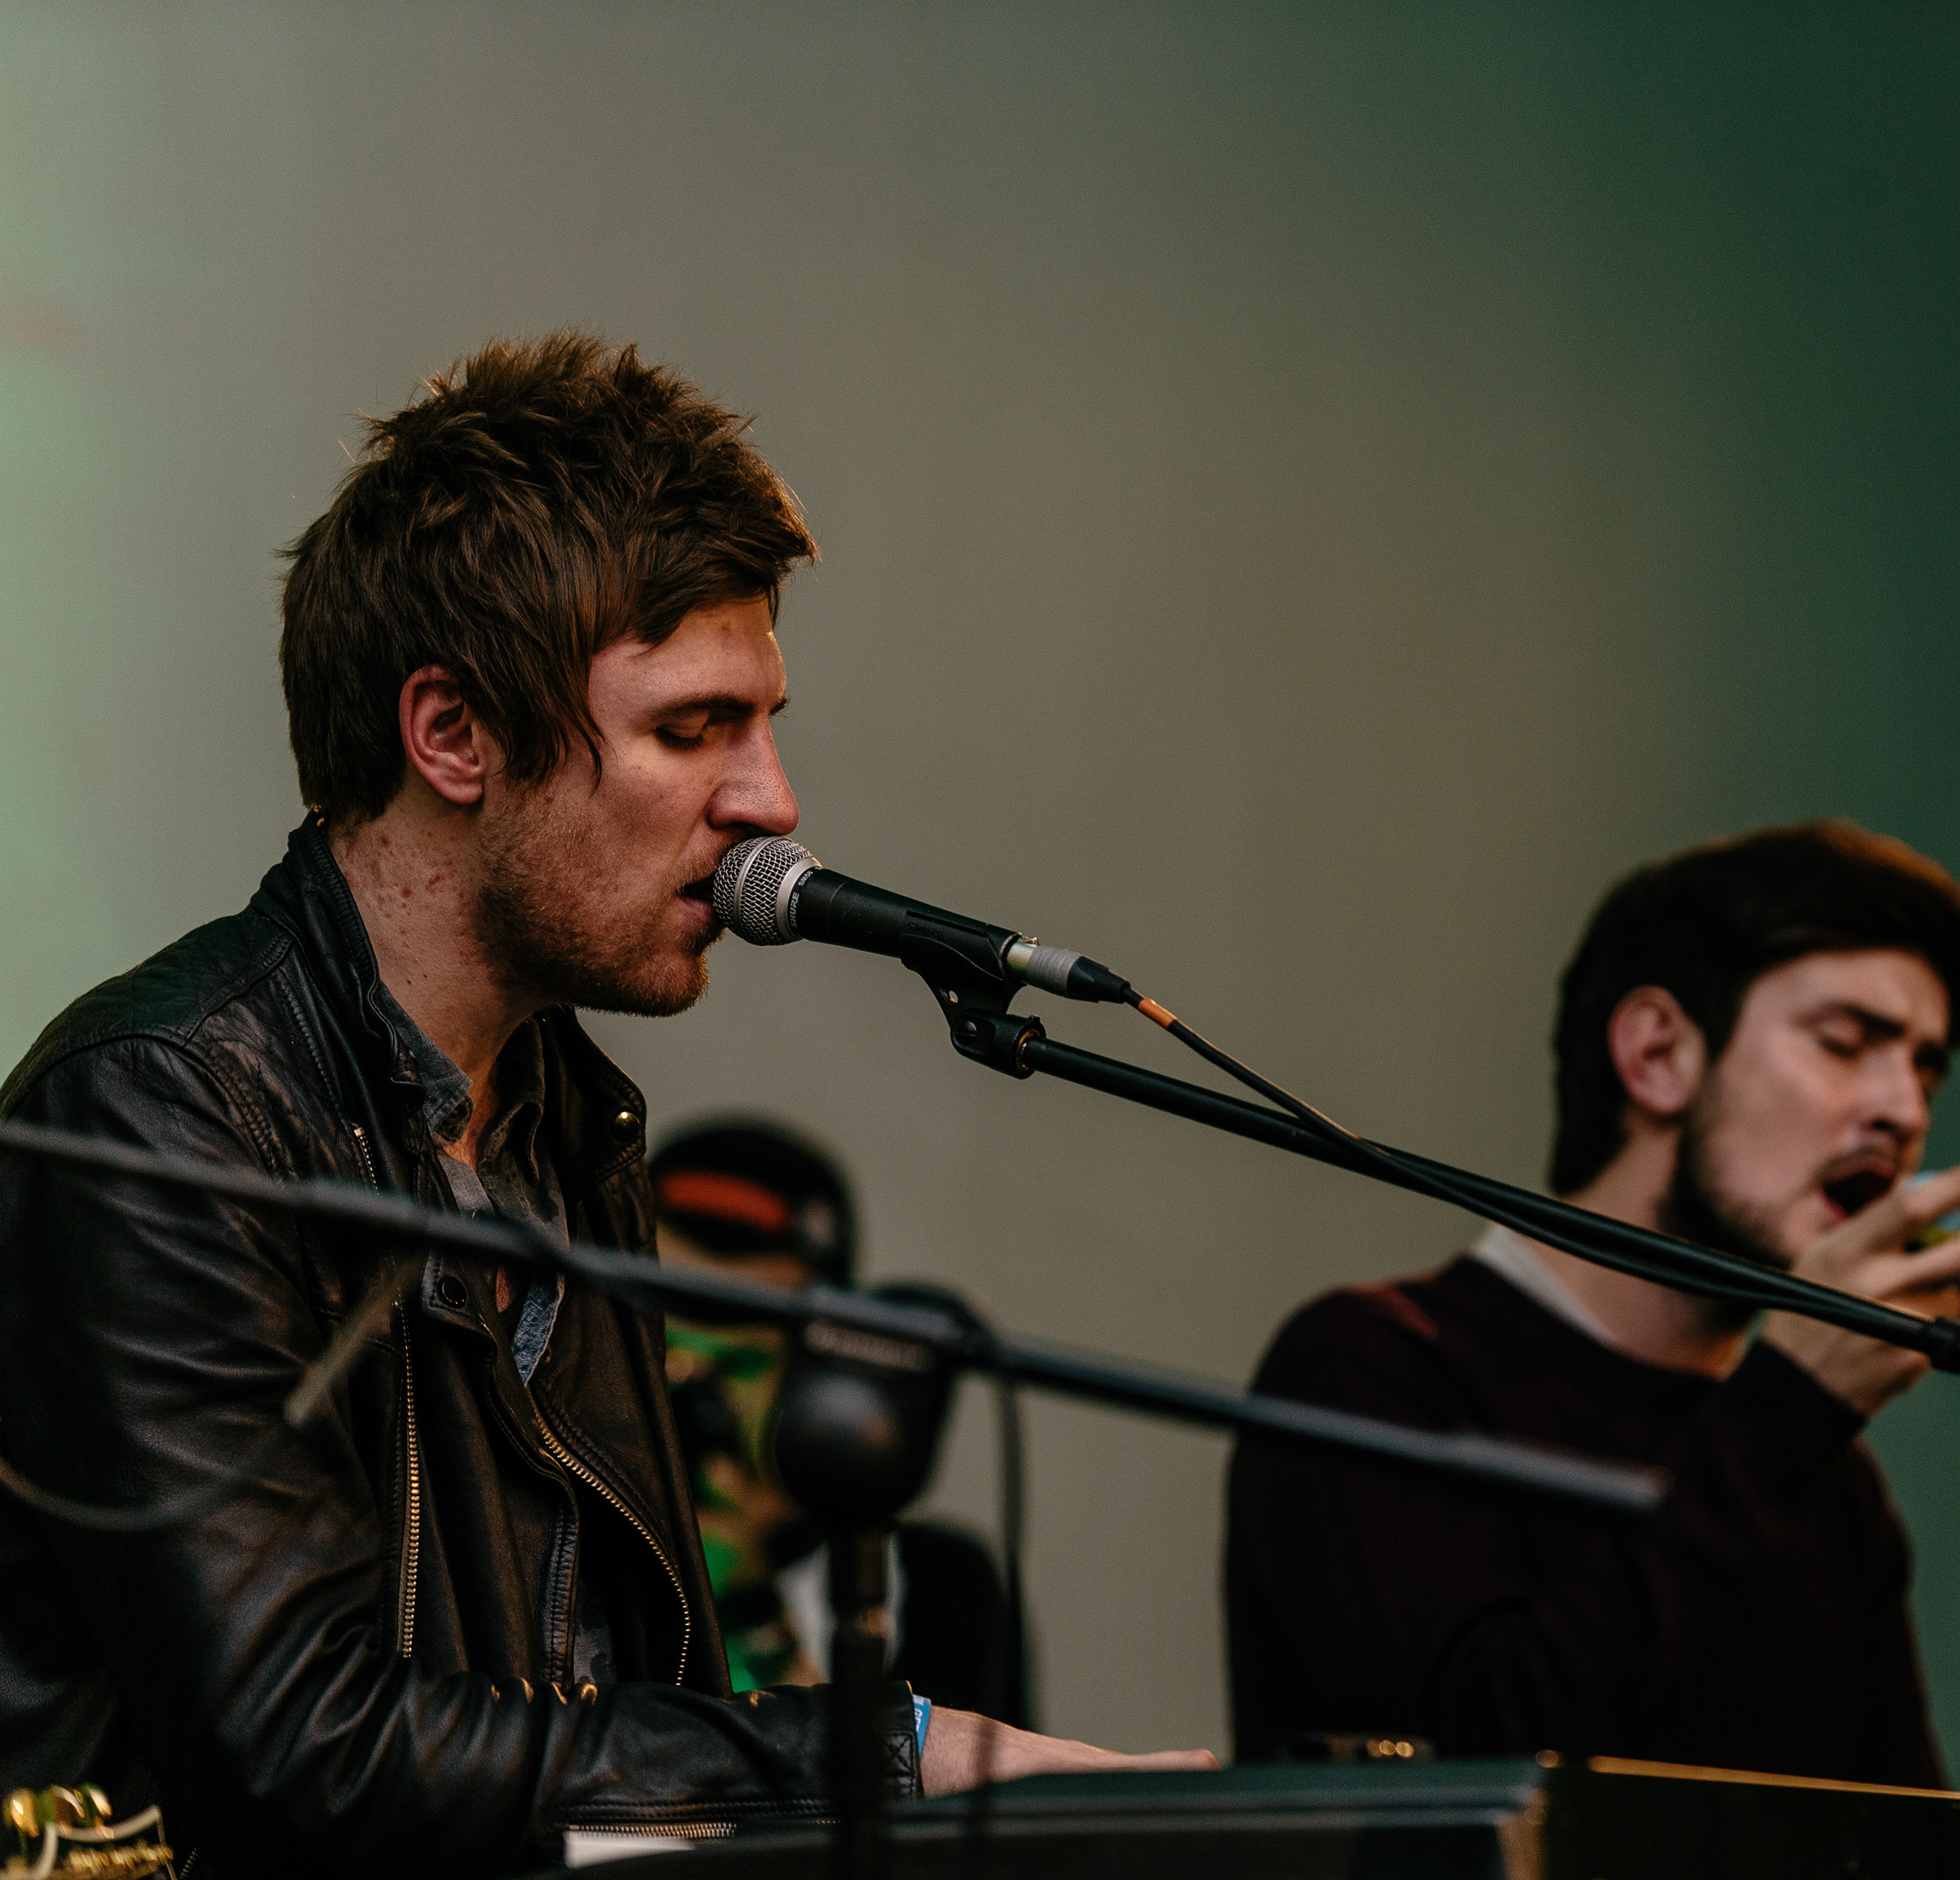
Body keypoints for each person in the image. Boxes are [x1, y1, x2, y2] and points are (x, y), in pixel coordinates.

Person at [0, 332, 1203, 1878]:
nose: (770, 801)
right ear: (452, 735)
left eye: (762, 721)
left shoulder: (570, 1124)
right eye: (690, 729)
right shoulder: (161, 1114)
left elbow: (617, 1723)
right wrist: (879, 1757)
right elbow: (304, 1746)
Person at [1224, 820, 1960, 1784]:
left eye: (1926, 1066)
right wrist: (1787, 1412)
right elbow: (1486, 1775)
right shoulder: (1371, 1368)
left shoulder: (1825, 1477)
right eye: (1846, 1043)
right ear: (1657, 1053)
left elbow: (1898, 1833)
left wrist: (1792, 1423)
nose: (1906, 1110)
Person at [649, 1117, 1027, 1718]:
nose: (688, 1388)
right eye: (660, 1346)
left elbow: (914, 1778)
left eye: (741, 1363)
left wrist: (750, 1609)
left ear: (816, 1371)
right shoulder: (546, 1533)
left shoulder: (929, 1582)